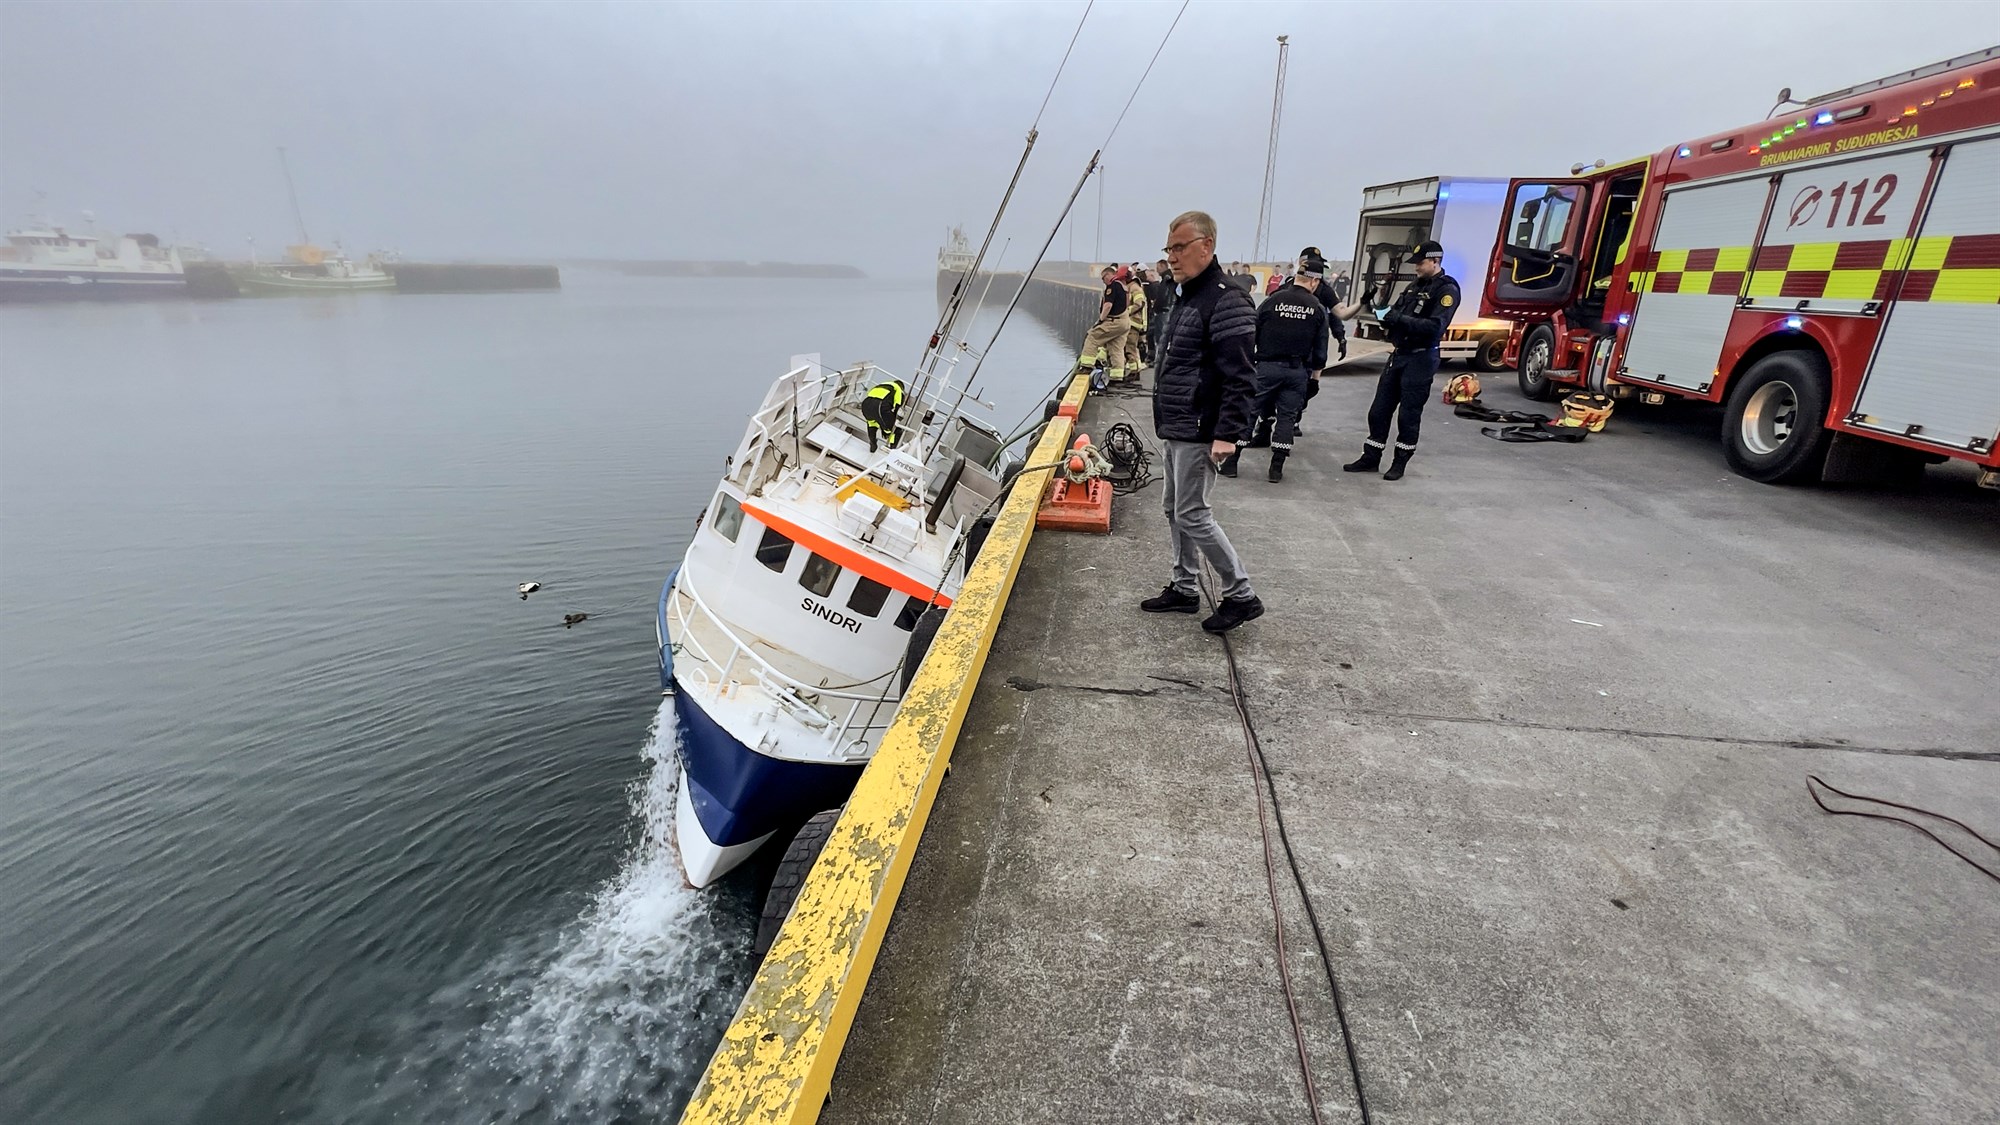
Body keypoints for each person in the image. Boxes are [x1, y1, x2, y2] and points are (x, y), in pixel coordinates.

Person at [1143, 210, 1263, 634]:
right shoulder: (1187, 295)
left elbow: (1242, 373)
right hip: (1177, 423)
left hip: (1200, 424)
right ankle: (1184, 586)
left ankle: (1241, 594)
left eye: (1180, 248)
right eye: (1169, 248)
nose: (1172, 257)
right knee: (1173, 509)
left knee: (1193, 513)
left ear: (1206, 246)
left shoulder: (1225, 297)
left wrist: (1228, 433)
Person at [1339, 239, 1460, 481]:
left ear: (1435, 261)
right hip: (1399, 355)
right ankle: (1371, 457)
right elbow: (1399, 313)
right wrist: (1385, 316)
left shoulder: (1446, 289)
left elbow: (1435, 327)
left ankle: (1399, 462)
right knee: (1379, 410)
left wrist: (1398, 319)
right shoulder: (1415, 286)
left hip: (1421, 357)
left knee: (1408, 414)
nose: (1416, 267)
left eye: (1420, 263)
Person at [1220, 251, 1329, 483]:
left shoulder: (1272, 301)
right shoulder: (1317, 308)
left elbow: (1252, 334)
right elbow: (1320, 351)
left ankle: (1231, 464)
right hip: (1296, 371)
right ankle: (1276, 469)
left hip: (1266, 367)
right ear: (1314, 281)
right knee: (1287, 417)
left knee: (1249, 412)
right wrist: (1315, 379)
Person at [1075, 265, 1131, 388]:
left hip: (1113, 320)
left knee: (1092, 337)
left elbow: (1108, 305)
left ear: (1108, 275)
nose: (1103, 281)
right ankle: (1117, 377)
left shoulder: (1112, 286)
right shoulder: (1123, 287)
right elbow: (1127, 304)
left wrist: (1100, 320)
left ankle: (1086, 367)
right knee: (1116, 348)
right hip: (1124, 321)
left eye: (1103, 278)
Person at [860, 378, 906, 452]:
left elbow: (869, 395)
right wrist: (891, 423)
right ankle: (892, 450)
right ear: (901, 388)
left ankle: (873, 445)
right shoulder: (898, 389)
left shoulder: (881, 385)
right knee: (896, 430)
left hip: (865, 406)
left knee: (872, 424)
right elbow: (898, 407)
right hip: (879, 406)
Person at [1122, 267, 1149, 378]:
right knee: (1128, 348)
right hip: (1130, 322)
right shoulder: (1130, 287)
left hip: (1133, 322)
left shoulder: (1135, 288)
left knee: (1130, 347)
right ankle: (1134, 371)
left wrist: (1124, 312)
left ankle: (1134, 372)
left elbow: (1139, 304)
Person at [1145, 261, 1175, 361]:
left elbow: (1163, 296)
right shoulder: (1169, 278)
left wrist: (1156, 308)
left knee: (1161, 338)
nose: (1157, 270)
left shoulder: (1166, 279)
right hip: (1167, 310)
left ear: (1163, 266)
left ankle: (1162, 360)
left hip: (1163, 311)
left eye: (1158, 267)